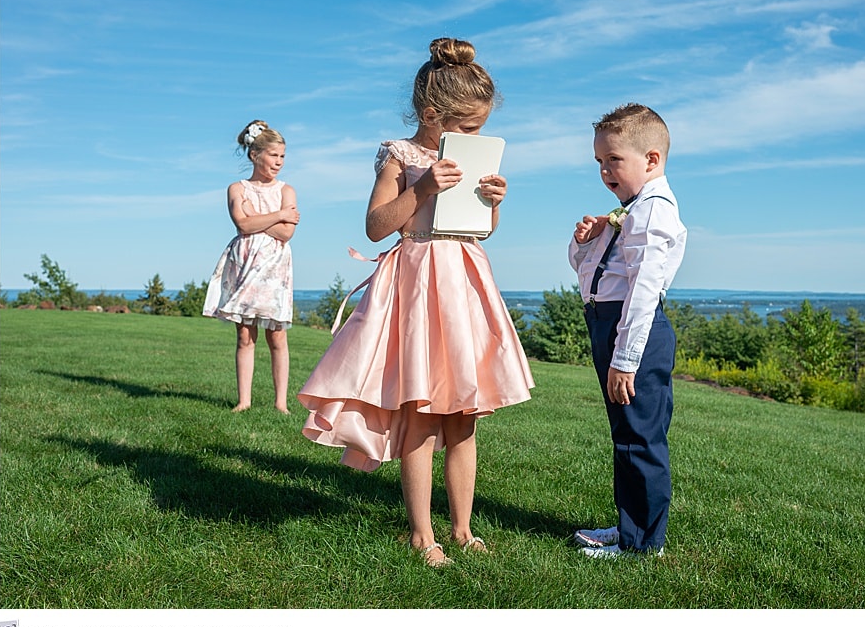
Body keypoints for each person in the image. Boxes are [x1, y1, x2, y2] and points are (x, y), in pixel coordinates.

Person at [298, 38, 534, 567]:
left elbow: (482, 233)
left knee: (464, 417)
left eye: (480, 129)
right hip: (416, 284)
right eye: (467, 129)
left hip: (465, 284)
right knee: (423, 412)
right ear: (432, 116)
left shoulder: (469, 160)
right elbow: (377, 226)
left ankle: (463, 528)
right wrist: (422, 187)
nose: (475, 139)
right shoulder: (400, 155)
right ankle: (421, 534)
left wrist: (492, 205)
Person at [568, 103, 687, 559]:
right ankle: (629, 526)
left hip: (633, 333)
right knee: (626, 435)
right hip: (608, 323)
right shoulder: (632, 209)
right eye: (599, 162)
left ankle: (643, 544)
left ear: (651, 159)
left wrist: (625, 359)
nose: (604, 170)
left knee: (641, 438)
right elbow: (595, 275)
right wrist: (588, 242)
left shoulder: (653, 211)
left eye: (613, 159)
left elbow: (642, 291)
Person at [203, 120, 299, 414]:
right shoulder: (237, 188)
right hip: (245, 263)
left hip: (274, 266)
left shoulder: (287, 191)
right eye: (273, 155)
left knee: (277, 334)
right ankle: (243, 400)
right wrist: (277, 216)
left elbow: (286, 233)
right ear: (255, 154)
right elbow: (242, 224)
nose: (278, 162)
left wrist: (261, 217)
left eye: (282, 156)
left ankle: (280, 402)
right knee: (245, 334)